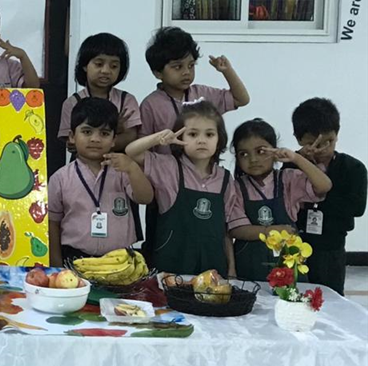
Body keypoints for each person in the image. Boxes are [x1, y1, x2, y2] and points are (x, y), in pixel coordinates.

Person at [125, 100, 289, 276]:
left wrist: (231, 268)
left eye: (209, 134)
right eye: (193, 134)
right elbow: (131, 152)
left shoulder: (225, 178)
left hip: (213, 266)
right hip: (172, 264)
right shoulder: (168, 167)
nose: (201, 140)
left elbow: (225, 230)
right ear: (180, 137)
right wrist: (158, 138)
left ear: (219, 140)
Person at [48, 98, 153, 264]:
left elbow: (145, 198)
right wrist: (56, 262)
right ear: (72, 137)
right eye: (87, 132)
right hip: (74, 258)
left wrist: (133, 168)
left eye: (104, 133)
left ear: (114, 140)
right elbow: (52, 223)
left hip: (120, 260)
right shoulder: (60, 178)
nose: (95, 139)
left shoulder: (123, 171)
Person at [230, 118, 330, 281]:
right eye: (244, 154)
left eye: (260, 151)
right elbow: (237, 229)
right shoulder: (236, 187)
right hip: (250, 264)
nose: (253, 159)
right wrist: (272, 231)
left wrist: (296, 158)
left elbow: (324, 186)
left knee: (291, 295)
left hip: (288, 262)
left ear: (275, 152)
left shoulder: (288, 179)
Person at [288, 98, 367, 294]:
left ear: (337, 134)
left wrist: (316, 198)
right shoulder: (292, 164)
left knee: (331, 298)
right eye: (313, 143)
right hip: (296, 245)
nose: (323, 149)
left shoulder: (353, 168)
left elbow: (357, 207)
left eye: (329, 141)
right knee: (293, 295)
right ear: (299, 139)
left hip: (332, 247)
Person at [139, 26, 250, 153]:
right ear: (158, 73)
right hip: (166, 165)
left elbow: (241, 99)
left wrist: (227, 71)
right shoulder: (150, 105)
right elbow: (142, 145)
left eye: (191, 65)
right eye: (178, 67)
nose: (186, 72)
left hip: (203, 164)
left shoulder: (203, 93)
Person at [59, 33, 140, 153]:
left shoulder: (126, 100)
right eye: (99, 64)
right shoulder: (72, 102)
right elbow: (71, 143)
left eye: (114, 66)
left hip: (118, 161)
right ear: (84, 66)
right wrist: (112, 131)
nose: (106, 71)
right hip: (83, 163)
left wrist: (94, 145)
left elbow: (131, 136)